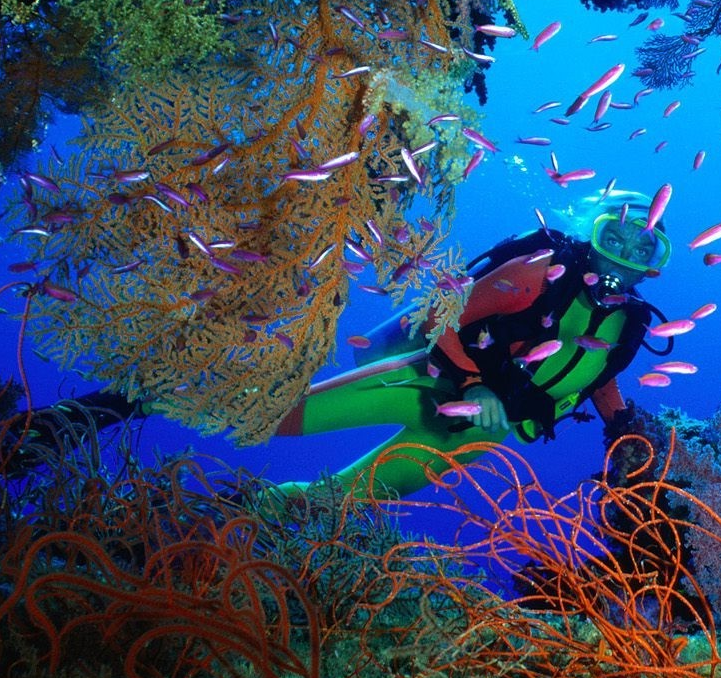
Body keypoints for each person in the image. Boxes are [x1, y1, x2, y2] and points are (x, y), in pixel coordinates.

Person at [270, 189, 672, 500]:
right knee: (271, 414)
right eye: (613, 238)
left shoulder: (630, 324)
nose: (625, 256)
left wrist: (626, 433)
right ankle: (213, 401)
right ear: (592, 234)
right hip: (428, 385)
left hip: (481, 433)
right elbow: (440, 316)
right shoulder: (541, 272)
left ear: (654, 265)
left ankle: (250, 506)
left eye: (643, 248)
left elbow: (597, 378)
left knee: (339, 499)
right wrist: (472, 384)